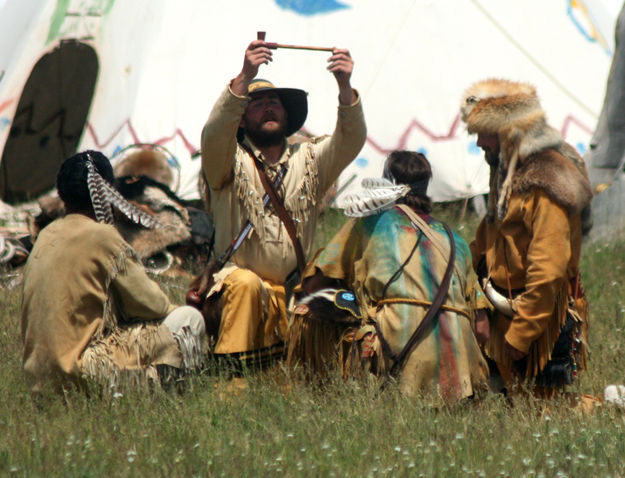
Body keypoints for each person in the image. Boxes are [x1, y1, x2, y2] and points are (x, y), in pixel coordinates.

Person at [197, 38, 366, 368]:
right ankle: (232, 386)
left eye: (274, 101)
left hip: (291, 291)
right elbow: (214, 132)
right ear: (242, 119)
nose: (268, 106)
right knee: (245, 283)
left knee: (340, 302)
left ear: (287, 116)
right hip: (236, 289)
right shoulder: (226, 160)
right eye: (257, 104)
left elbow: (350, 140)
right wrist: (245, 76)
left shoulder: (310, 160)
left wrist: (345, 85)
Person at [288, 151, 489, 402]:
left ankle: (325, 396)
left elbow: (313, 283)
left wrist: (350, 298)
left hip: (396, 342)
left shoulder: (370, 223)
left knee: (310, 310)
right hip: (459, 363)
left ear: (386, 181)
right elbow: (482, 329)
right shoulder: (454, 238)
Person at [21, 151, 206, 394]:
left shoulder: (46, 234)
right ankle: (175, 392)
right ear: (107, 191)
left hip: (39, 379)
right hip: (81, 371)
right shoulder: (102, 235)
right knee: (188, 320)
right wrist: (186, 308)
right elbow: (152, 304)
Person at [459, 78, 593, 397]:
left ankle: (613, 410)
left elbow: (549, 270)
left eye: (483, 132)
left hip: (541, 318)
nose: (479, 143)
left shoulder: (547, 181)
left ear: (509, 131)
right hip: (506, 310)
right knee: (513, 408)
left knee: (547, 413)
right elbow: (486, 242)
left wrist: (522, 333)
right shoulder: (507, 173)